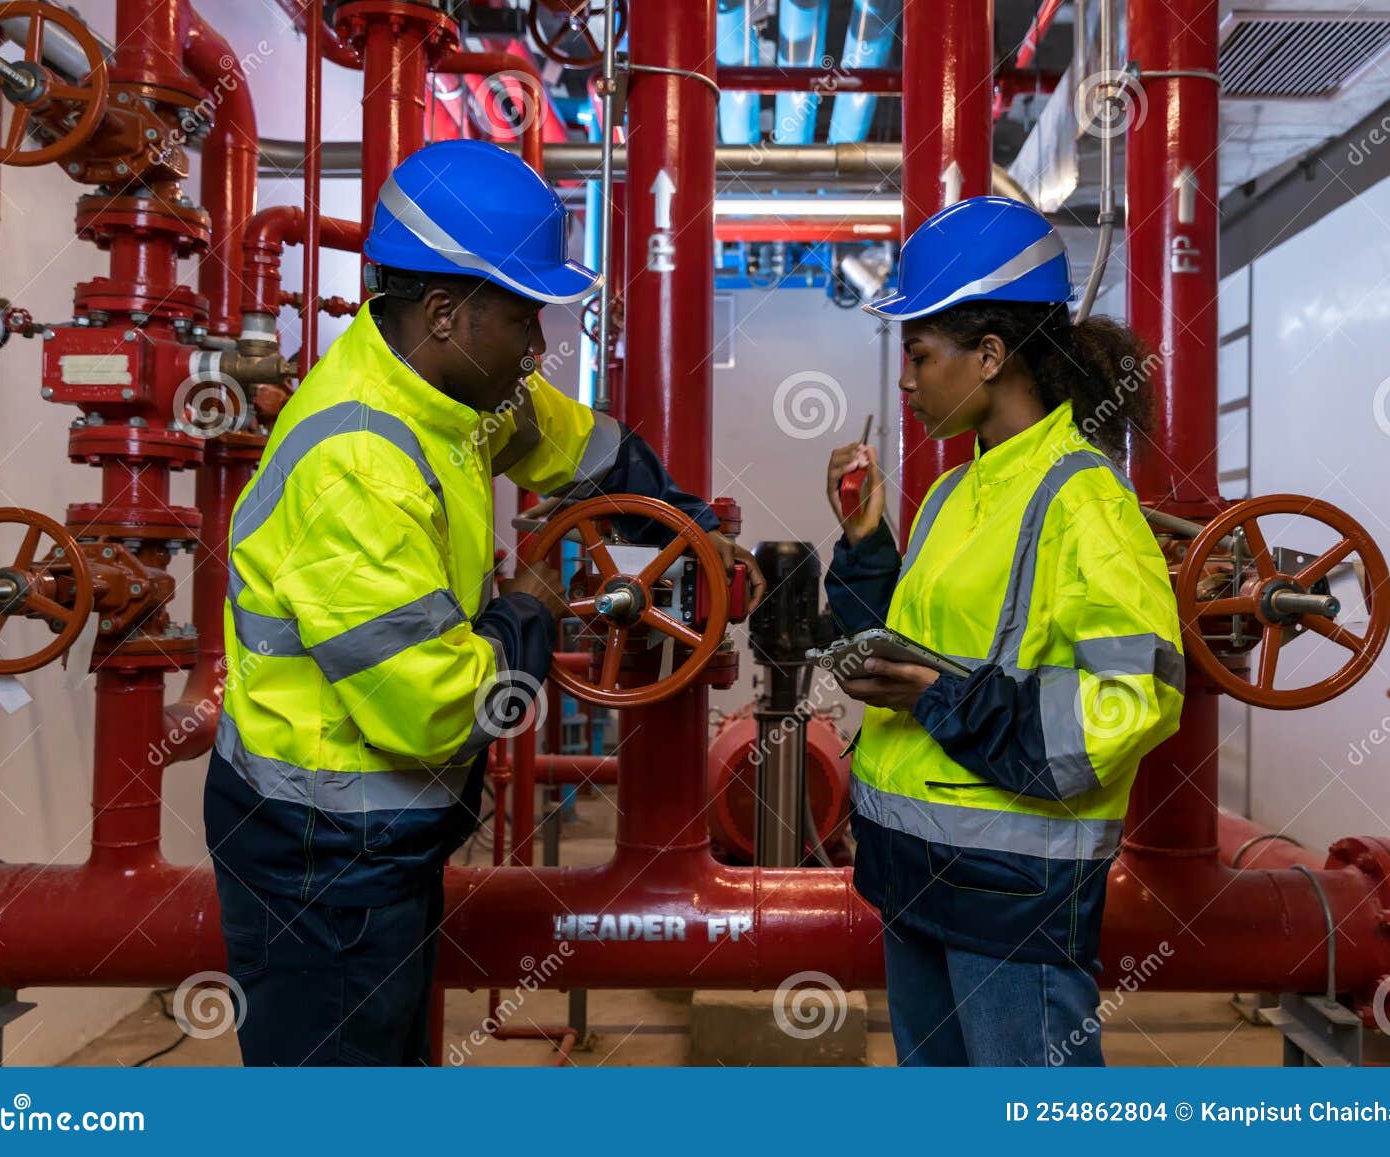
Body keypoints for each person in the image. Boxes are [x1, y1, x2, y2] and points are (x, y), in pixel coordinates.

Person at [205, 139, 765, 1067]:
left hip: (374, 838)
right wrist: (531, 609)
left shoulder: (447, 392)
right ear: (445, 312)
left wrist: (690, 525)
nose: (538, 349)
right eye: (523, 320)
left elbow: (581, 448)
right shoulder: (357, 464)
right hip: (320, 855)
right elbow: (441, 709)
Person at [822, 196, 1184, 1067]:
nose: (905, 382)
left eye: (918, 354)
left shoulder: (1084, 500)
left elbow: (1136, 702)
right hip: (912, 878)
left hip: (1011, 903)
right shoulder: (957, 491)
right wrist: (868, 543)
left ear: (989, 355)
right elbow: (908, 647)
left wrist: (950, 699)